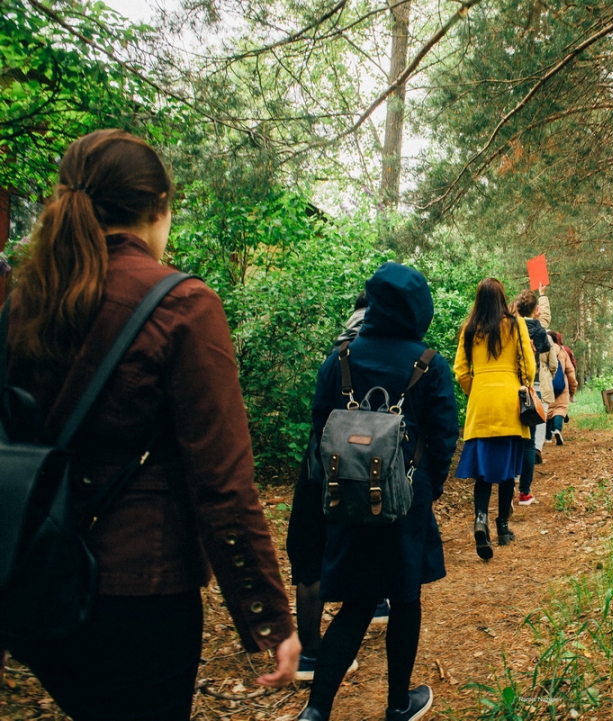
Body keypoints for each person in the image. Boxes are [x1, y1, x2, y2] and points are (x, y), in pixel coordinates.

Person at [1, 130, 298, 720]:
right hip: (141, 596)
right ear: (159, 208)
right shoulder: (182, 305)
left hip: (35, 583)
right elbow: (223, 484)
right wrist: (267, 615)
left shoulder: (21, 302)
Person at [296, 262, 458, 721]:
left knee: (358, 602)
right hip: (405, 500)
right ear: (418, 308)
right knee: (405, 599)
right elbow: (444, 434)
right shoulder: (428, 362)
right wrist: (431, 486)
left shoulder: (341, 357)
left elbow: (319, 424)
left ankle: (316, 710)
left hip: (346, 499)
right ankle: (397, 703)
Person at [286, 291, 386, 682]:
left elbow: (318, 415)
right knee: (365, 537)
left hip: (319, 465)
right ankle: (376, 603)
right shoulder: (387, 351)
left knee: (308, 555)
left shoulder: (338, 353)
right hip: (367, 466)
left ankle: (309, 653)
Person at [454, 278, 536, 558]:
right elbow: (529, 365)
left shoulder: (468, 329)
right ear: (502, 298)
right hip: (509, 402)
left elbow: (461, 372)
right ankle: (502, 527)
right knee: (506, 472)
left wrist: (475, 391)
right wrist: (523, 384)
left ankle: (480, 520)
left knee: (482, 472)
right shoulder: (515, 324)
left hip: (481, 403)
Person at [513, 288, 551, 503]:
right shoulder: (536, 327)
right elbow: (545, 347)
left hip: (510, 386)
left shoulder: (509, 326)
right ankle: (524, 491)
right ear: (535, 309)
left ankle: (510, 481)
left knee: (512, 438)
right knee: (528, 440)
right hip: (531, 386)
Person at [545, 331, 578, 445]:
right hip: (561, 385)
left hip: (546, 384)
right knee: (560, 408)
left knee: (547, 411)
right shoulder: (562, 352)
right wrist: (572, 389)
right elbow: (570, 371)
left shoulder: (542, 349)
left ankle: (547, 436)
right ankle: (557, 430)